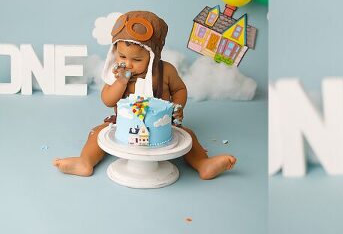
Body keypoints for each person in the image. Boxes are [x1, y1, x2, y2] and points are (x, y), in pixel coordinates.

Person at [54, 11, 236, 180]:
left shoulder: (166, 71)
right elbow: (107, 100)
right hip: (123, 125)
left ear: (153, 55)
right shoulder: (118, 74)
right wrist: (120, 83)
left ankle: (203, 163)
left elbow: (179, 90)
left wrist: (178, 107)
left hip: (162, 127)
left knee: (188, 136)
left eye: (137, 60)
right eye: (122, 57)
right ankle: (85, 161)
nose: (128, 64)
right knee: (97, 133)